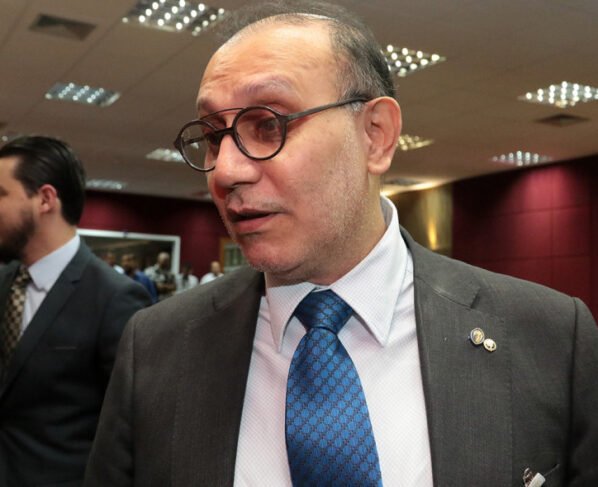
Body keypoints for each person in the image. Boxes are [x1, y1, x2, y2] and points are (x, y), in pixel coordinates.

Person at [85, 2, 598, 486]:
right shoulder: (156, 347)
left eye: (268, 125)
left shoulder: (551, 337)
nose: (225, 170)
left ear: (375, 135)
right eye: (214, 136)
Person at [0, 135, 152, 486]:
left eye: (1, 194)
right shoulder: (5, 282)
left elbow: (133, 428)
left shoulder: (115, 299)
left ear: (45, 199)